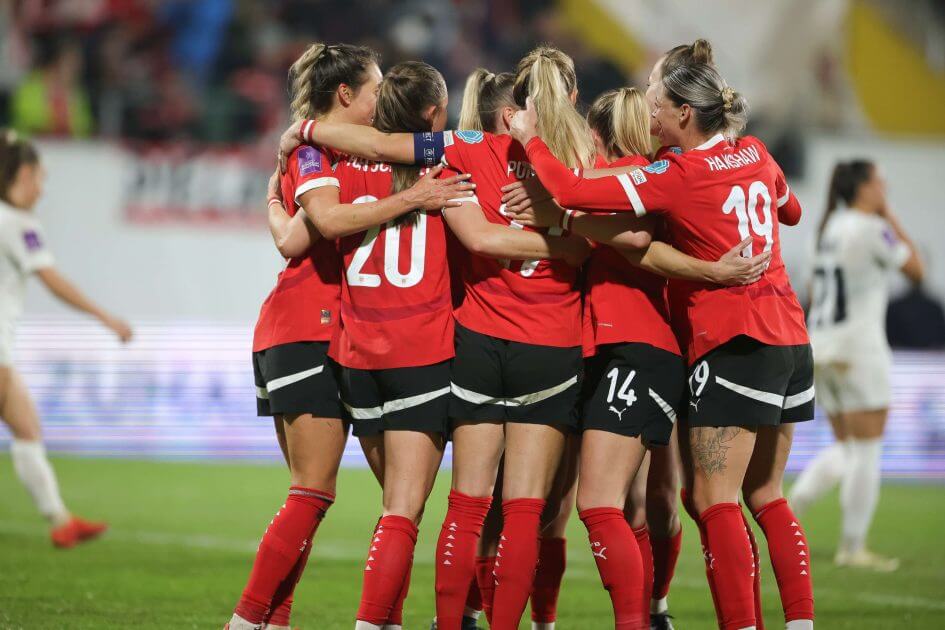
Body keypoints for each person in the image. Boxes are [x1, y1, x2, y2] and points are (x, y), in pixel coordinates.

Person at [278, 46, 594, 630]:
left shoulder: (463, 150)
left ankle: (440, 623)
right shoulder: (582, 159)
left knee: (463, 505)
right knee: (526, 510)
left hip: (463, 343)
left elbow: (381, 156)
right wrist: (566, 240)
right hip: (545, 343)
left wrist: (306, 130)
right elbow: (621, 227)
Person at [510, 62, 816, 630]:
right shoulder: (756, 151)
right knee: (765, 494)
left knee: (712, 500)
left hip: (734, 337)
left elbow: (574, 192)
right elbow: (790, 211)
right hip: (791, 337)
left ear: (685, 112)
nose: (649, 111)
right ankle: (799, 622)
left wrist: (530, 140)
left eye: (657, 103)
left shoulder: (679, 174)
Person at [228, 43, 471, 630]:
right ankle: (248, 620)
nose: (381, 97)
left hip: (331, 335)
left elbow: (290, 237)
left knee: (330, 497)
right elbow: (321, 226)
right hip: (312, 330)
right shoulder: (318, 153)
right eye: (374, 87)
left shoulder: (324, 148)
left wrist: (273, 199)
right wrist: (412, 198)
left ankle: (281, 621)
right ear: (345, 94)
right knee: (323, 494)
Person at [790, 159, 923, 571]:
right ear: (863, 188)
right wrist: (890, 217)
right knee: (866, 450)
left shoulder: (824, 229)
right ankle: (853, 547)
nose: (885, 189)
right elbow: (917, 271)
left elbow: (812, 290)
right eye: (879, 183)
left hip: (822, 347)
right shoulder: (871, 228)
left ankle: (788, 511)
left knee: (847, 447)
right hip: (860, 349)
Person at [0, 129, 129, 547]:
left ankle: (60, 520)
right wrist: (106, 317)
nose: (42, 189)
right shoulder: (18, 223)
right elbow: (52, 279)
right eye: (40, 177)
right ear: (22, 174)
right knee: (25, 427)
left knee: (27, 427)